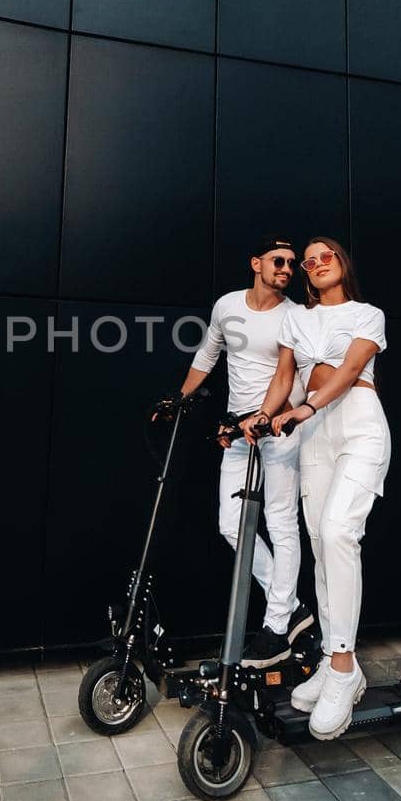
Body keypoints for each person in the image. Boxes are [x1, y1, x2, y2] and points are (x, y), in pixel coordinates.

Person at [242, 237, 390, 739]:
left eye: (325, 255)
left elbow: (349, 372)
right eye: (309, 261)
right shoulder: (297, 319)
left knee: (337, 534)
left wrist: (302, 409)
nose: (316, 263)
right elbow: (286, 376)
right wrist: (263, 415)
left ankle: (345, 669)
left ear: (341, 262)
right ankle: (332, 659)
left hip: (358, 425)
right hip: (315, 440)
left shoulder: (368, 314)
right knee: (321, 549)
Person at [159, 234, 314, 669]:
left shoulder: (295, 315)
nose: (285, 268)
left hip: (279, 425)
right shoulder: (227, 306)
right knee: (232, 525)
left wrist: (269, 416)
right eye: (278, 261)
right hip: (237, 428)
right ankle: (295, 607)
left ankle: (277, 625)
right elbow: (207, 355)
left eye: (291, 264)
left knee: (281, 522)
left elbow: (292, 377)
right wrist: (179, 399)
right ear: (256, 263)